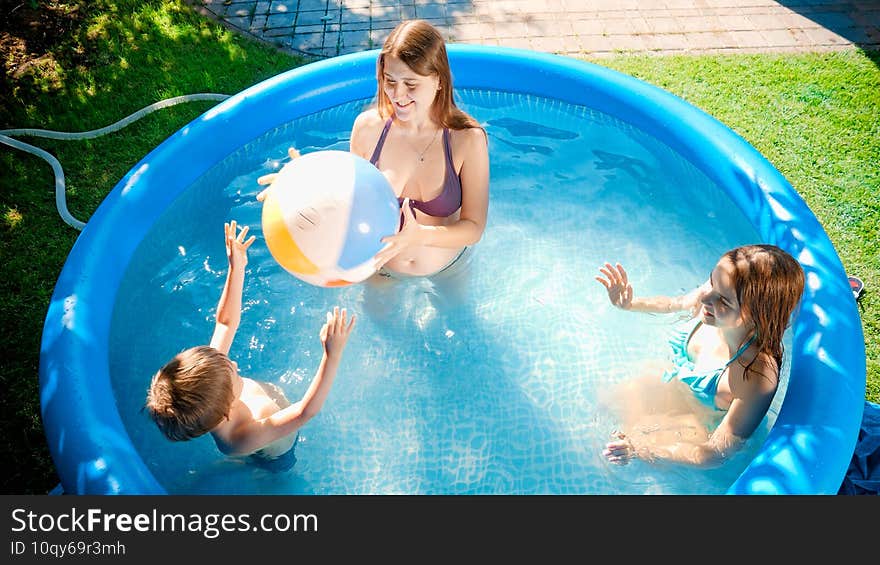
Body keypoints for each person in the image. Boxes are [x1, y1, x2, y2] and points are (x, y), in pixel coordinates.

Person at [145, 220, 356, 472]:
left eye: (225, 361)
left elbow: (225, 323)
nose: (232, 362)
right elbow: (304, 412)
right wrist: (332, 354)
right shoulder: (241, 437)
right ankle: (249, 469)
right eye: (232, 371)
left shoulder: (213, 381)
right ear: (226, 409)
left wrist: (237, 266)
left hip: (262, 409)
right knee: (279, 471)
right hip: (278, 454)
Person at [595, 244, 805, 468]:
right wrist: (629, 304)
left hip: (694, 426)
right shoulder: (713, 297)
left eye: (724, 301)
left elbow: (714, 453)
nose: (705, 297)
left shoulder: (754, 375)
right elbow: (672, 304)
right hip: (671, 387)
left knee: (622, 449)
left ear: (757, 315)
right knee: (609, 399)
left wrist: (643, 448)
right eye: (711, 281)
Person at [348, 19, 490, 278]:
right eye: (389, 81)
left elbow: (474, 227)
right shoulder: (368, 129)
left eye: (411, 84)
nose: (397, 94)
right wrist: (306, 183)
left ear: (438, 80)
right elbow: (351, 202)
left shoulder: (467, 139)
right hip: (379, 272)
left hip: (449, 271)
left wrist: (420, 236)